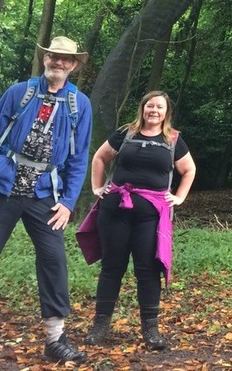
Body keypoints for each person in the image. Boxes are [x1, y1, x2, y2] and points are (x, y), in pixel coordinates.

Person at [0, 36, 92, 364]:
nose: (58, 63)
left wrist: (69, 201)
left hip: (45, 192)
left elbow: (80, 156)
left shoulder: (78, 104)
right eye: (53, 57)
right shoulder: (19, 93)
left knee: (54, 260)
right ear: (45, 59)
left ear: (73, 66)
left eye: (65, 59)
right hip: (1, 186)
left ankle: (55, 338)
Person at [82, 90, 196, 351]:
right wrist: (97, 187)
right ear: (142, 109)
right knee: (112, 268)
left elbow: (188, 169)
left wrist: (179, 197)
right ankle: (100, 326)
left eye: (159, 107)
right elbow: (99, 157)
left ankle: (150, 329)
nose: (153, 110)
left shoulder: (173, 139)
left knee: (147, 270)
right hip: (115, 211)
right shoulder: (126, 133)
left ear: (166, 112)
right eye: (149, 106)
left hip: (151, 217)